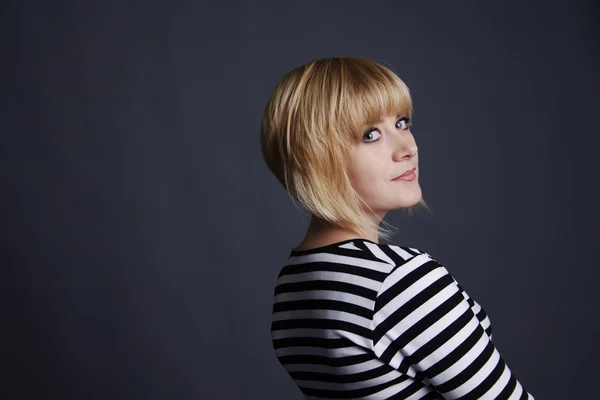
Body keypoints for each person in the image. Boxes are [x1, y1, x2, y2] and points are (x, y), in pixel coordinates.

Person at [260, 57, 534, 399]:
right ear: (314, 159)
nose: (408, 148)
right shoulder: (400, 281)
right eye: (370, 134)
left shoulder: (293, 282)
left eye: (402, 123)